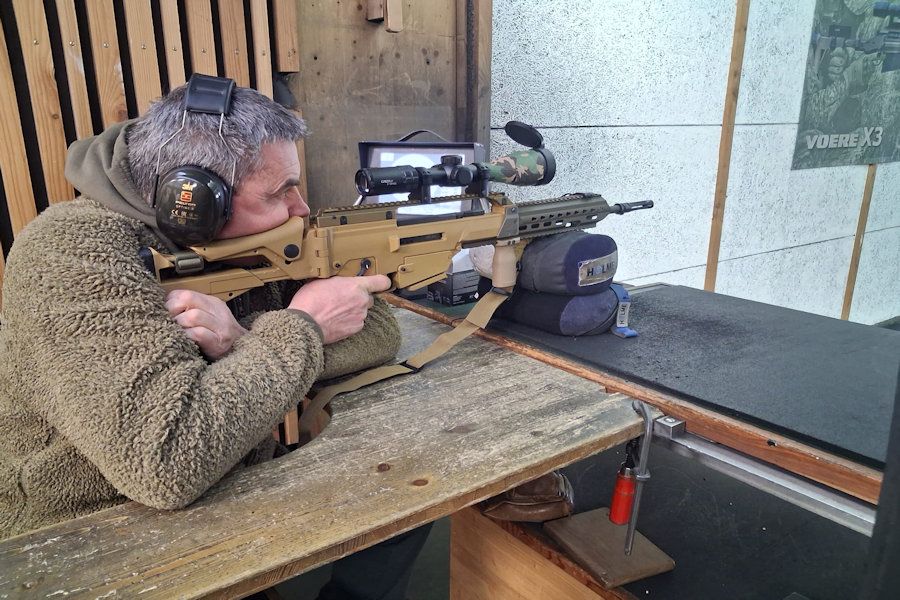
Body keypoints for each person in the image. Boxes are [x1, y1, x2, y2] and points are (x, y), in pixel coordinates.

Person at [0, 79, 431, 599]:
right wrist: (304, 327)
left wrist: (242, 338)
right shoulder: (68, 255)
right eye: (280, 191)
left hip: (230, 475)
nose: (300, 208)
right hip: (85, 535)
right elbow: (163, 461)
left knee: (410, 492)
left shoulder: (252, 236)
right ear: (197, 201)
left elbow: (377, 330)